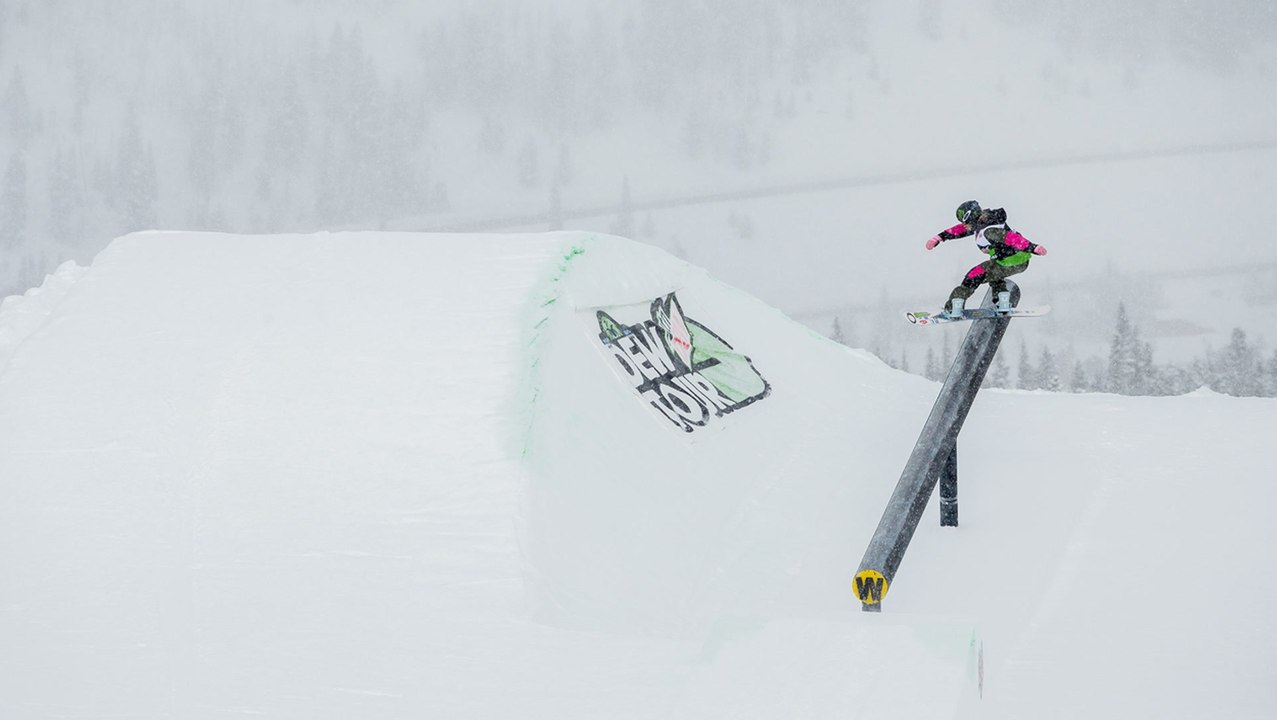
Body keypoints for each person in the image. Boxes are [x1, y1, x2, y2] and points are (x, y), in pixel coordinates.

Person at [925, 200, 1047, 316]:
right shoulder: (984, 223)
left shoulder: (989, 231)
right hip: (1017, 262)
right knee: (994, 275)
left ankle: (954, 307)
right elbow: (960, 230)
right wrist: (940, 237)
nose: (964, 226)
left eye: (965, 223)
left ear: (971, 219)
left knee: (974, 275)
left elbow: (1011, 238)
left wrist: (1033, 247)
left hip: (1009, 262)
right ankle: (1003, 301)